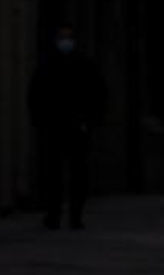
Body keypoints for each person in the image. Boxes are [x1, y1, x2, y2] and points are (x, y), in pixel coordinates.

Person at [28, 25, 107, 230]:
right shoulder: (47, 65)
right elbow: (36, 95)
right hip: (54, 126)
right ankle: (55, 214)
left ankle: (73, 215)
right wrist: (40, 121)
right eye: (62, 37)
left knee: (76, 173)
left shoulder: (83, 65)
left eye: (68, 37)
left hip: (75, 126)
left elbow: (97, 94)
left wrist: (89, 121)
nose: (65, 41)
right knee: (54, 173)